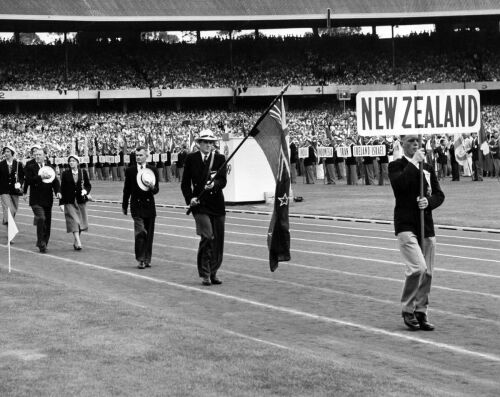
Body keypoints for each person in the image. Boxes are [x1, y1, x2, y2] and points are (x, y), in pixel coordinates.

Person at [389, 135, 445, 331]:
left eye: (417, 141)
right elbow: (400, 186)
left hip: (426, 225)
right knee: (418, 268)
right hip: (406, 224)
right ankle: (408, 308)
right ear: (402, 143)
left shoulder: (428, 168)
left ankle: (421, 311)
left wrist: (428, 202)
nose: (415, 144)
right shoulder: (395, 166)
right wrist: (413, 163)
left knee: (428, 272)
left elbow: (439, 194)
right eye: (411, 141)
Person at [181, 129, 227, 286]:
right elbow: (185, 183)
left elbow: (223, 181)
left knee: (218, 241)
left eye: (211, 142)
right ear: (199, 143)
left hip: (217, 205)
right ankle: (205, 273)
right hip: (199, 205)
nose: (208, 145)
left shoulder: (220, 158)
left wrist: (214, 184)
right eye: (205, 142)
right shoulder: (191, 159)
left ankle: (214, 271)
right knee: (207, 236)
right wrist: (190, 198)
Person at [122, 146, 159, 269]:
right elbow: (126, 189)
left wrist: (152, 187)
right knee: (140, 232)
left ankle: (147, 258)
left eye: (140, 155)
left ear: (146, 156)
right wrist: (124, 205)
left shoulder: (153, 170)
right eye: (136, 155)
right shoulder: (130, 170)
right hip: (136, 207)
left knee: (149, 235)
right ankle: (141, 259)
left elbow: (156, 190)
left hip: (149, 207)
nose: (138, 157)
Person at [24, 148, 61, 253]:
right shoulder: (30, 167)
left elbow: (55, 181)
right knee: (41, 218)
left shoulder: (50, 167)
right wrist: (40, 177)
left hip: (48, 199)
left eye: (40, 154)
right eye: (36, 155)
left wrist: (58, 191)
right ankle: (40, 241)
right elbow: (29, 180)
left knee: (47, 222)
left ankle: (44, 242)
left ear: (45, 155)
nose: (37, 156)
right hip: (36, 200)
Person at [59, 155, 92, 250]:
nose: (71, 163)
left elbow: (88, 185)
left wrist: (85, 191)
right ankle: (79, 242)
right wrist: (61, 203)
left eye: (73, 161)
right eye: (70, 161)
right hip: (69, 201)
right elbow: (62, 188)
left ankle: (75, 242)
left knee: (80, 222)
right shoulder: (65, 174)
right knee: (74, 221)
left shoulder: (83, 172)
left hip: (80, 201)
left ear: (77, 162)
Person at [0, 145, 24, 228]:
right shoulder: (1, 164)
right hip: (4, 190)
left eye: (8, 151)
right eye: (5, 152)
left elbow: (21, 176)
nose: (6, 153)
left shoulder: (18, 164)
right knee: (8, 209)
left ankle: (7, 221)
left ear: (12, 153)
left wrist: (20, 183)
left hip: (15, 191)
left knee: (13, 210)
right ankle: (11, 231)